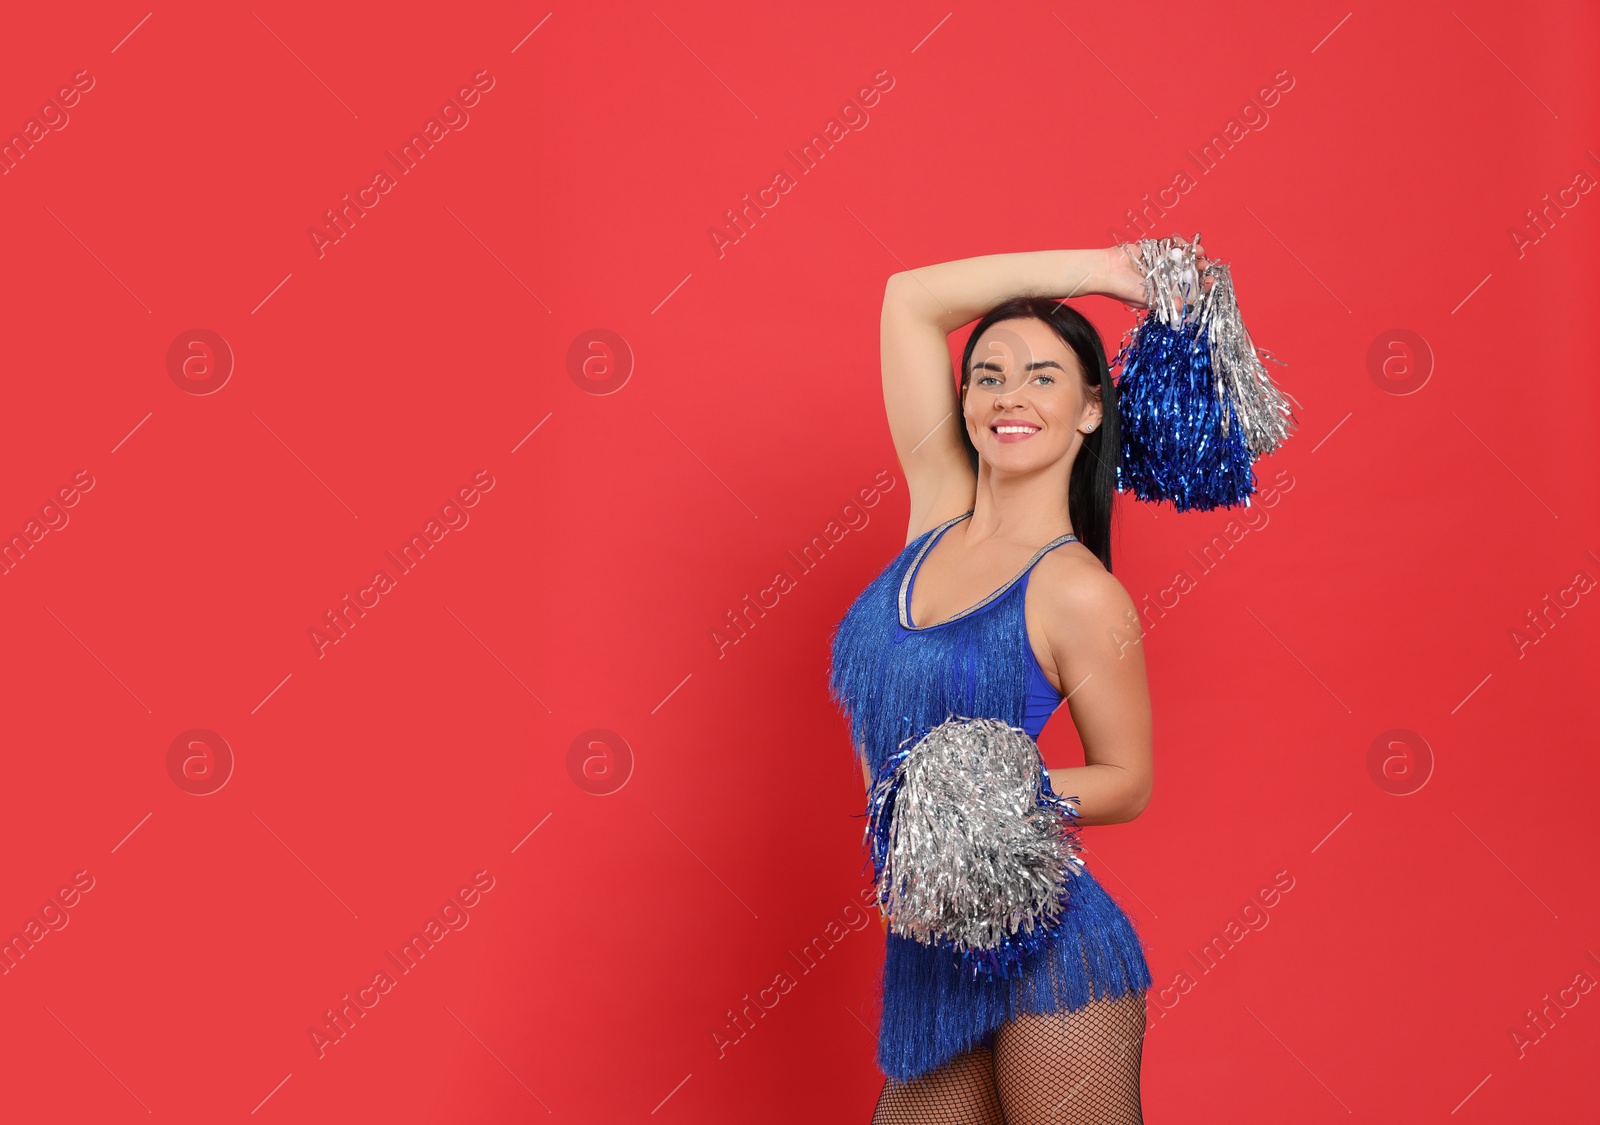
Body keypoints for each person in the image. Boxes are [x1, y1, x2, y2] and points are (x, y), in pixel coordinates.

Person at [828, 246, 1184, 1124]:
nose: (1009, 396)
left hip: (1046, 951)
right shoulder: (935, 510)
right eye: (987, 376)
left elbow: (1126, 779)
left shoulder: (1078, 591)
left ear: (1091, 409)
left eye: (1042, 377)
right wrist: (1109, 270)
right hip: (924, 948)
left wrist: (976, 800)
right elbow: (909, 297)